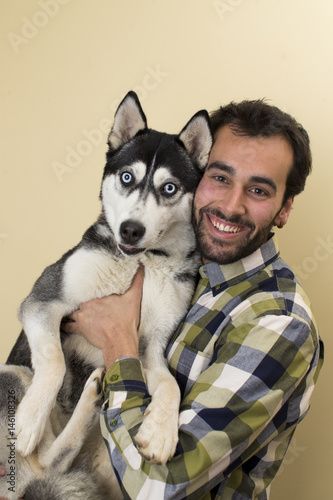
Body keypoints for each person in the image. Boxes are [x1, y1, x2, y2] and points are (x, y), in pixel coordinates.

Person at [15, 100, 327, 499]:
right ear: (200, 181)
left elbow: (158, 486)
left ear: (284, 210)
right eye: (220, 178)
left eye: (259, 189)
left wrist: (117, 339)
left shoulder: (278, 323)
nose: (231, 206)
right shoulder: (194, 271)